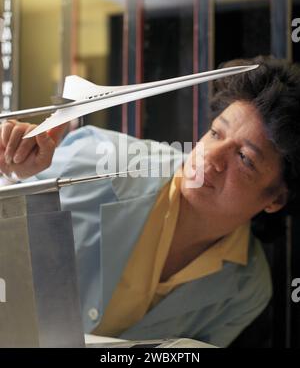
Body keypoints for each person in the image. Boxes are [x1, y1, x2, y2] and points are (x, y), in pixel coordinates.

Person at [1, 56, 300, 347]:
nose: (211, 157)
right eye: (215, 132)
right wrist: (16, 172)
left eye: (244, 158)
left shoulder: (247, 290)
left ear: (277, 198)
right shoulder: (100, 160)